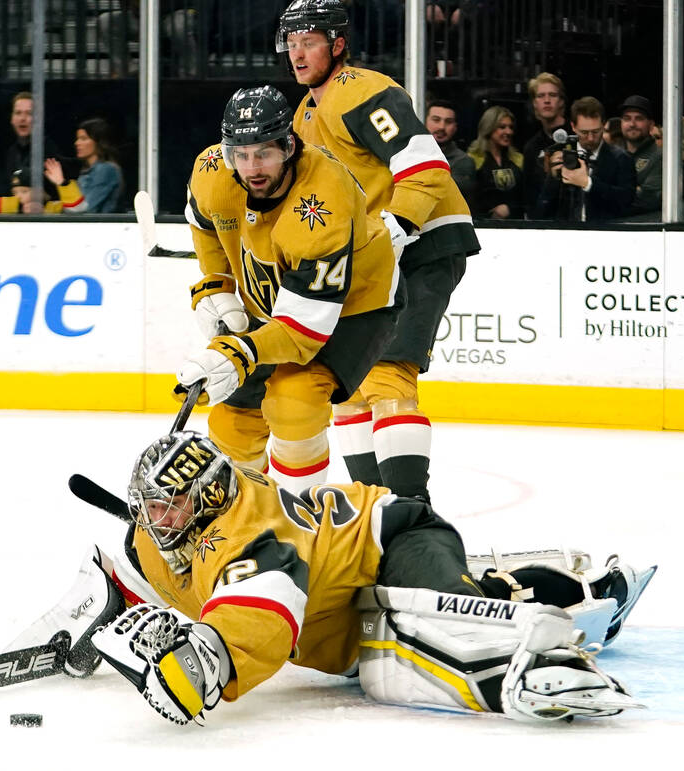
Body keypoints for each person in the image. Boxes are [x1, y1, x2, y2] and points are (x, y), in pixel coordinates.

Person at [89, 430, 651, 725]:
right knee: (415, 622)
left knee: (450, 615)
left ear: (209, 498)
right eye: (149, 506)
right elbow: (149, 577)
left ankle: (582, 595)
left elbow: (257, 617)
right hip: (342, 588)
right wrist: (115, 606)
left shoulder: (254, 544)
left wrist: (201, 661)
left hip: (396, 536)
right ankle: (502, 584)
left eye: (168, 507)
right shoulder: (152, 538)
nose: (154, 519)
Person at [279, 0, 480, 502]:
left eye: (309, 42)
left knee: (388, 373)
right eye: (291, 43)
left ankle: (413, 517)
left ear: (338, 45)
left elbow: (426, 165)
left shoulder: (363, 90)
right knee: (349, 386)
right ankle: (379, 512)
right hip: (376, 256)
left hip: (423, 240)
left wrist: (396, 225)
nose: (297, 54)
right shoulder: (305, 114)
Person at [179, 84, 402, 497]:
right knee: (232, 422)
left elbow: (303, 331)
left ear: (289, 146)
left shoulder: (321, 200)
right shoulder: (212, 172)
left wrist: (237, 352)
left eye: (264, 152)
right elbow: (203, 221)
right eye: (240, 155)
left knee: (293, 401)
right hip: (276, 305)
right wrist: (217, 284)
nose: (252, 167)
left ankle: (295, 521)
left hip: (356, 303)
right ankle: (242, 517)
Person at [534, 96, 635, 222]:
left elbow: (627, 202)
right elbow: (540, 211)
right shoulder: (560, 155)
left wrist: (588, 183)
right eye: (584, 132)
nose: (591, 138)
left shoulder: (622, 159)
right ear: (573, 126)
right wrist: (553, 179)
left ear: (604, 125)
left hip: (604, 235)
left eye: (596, 131)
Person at [0, 91, 63, 208]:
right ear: (12, 119)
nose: (23, 118)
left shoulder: (49, 149)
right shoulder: (11, 153)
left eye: (29, 113)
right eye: (18, 113)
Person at [96, 0, 201, 78]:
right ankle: (128, 71)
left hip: (172, 14)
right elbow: (126, 7)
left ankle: (189, 73)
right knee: (106, 20)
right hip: (141, 18)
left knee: (179, 25)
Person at [44, 117, 124, 213]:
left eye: (83, 139)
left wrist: (62, 183)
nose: (77, 143)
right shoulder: (86, 171)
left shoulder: (106, 170)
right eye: (78, 139)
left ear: (98, 142)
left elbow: (85, 210)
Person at [520, 71, 571, 218]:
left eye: (552, 95)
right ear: (534, 103)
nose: (547, 100)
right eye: (541, 96)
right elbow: (529, 198)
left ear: (561, 101)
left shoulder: (578, 136)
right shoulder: (531, 147)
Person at [467, 105, 524, 219]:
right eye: (502, 127)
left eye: (511, 127)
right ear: (489, 127)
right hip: (483, 225)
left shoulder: (518, 160)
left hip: (516, 225)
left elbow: (526, 196)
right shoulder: (472, 159)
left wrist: (510, 208)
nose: (508, 132)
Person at [617, 95, 663, 221]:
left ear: (651, 124)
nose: (632, 124)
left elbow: (649, 199)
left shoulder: (661, 157)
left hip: (647, 228)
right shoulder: (612, 155)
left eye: (639, 119)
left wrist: (611, 191)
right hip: (611, 227)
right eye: (627, 118)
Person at [424, 99, 474, 203]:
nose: (441, 127)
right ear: (424, 121)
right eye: (436, 120)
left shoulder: (463, 161)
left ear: (455, 127)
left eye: (448, 122)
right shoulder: (409, 153)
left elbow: (444, 193)